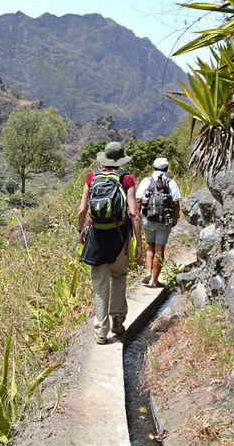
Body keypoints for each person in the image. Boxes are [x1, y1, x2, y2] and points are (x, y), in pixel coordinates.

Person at [77, 142, 142, 344]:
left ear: (104, 158)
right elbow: (133, 213)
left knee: (99, 285)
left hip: (97, 237)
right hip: (120, 237)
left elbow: (81, 210)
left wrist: (81, 232)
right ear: (121, 159)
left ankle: (100, 332)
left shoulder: (92, 176)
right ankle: (118, 321)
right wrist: (139, 242)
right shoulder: (127, 178)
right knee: (119, 277)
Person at [136, 157, 182, 289]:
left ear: (153, 167)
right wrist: (176, 217)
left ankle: (148, 272)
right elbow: (176, 202)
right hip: (164, 220)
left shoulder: (146, 181)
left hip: (147, 219)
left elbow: (139, 200)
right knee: (159, 249)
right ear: (167, 168)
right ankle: (155, 281)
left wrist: (138, 216)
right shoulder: (170, 182)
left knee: (149, 244)